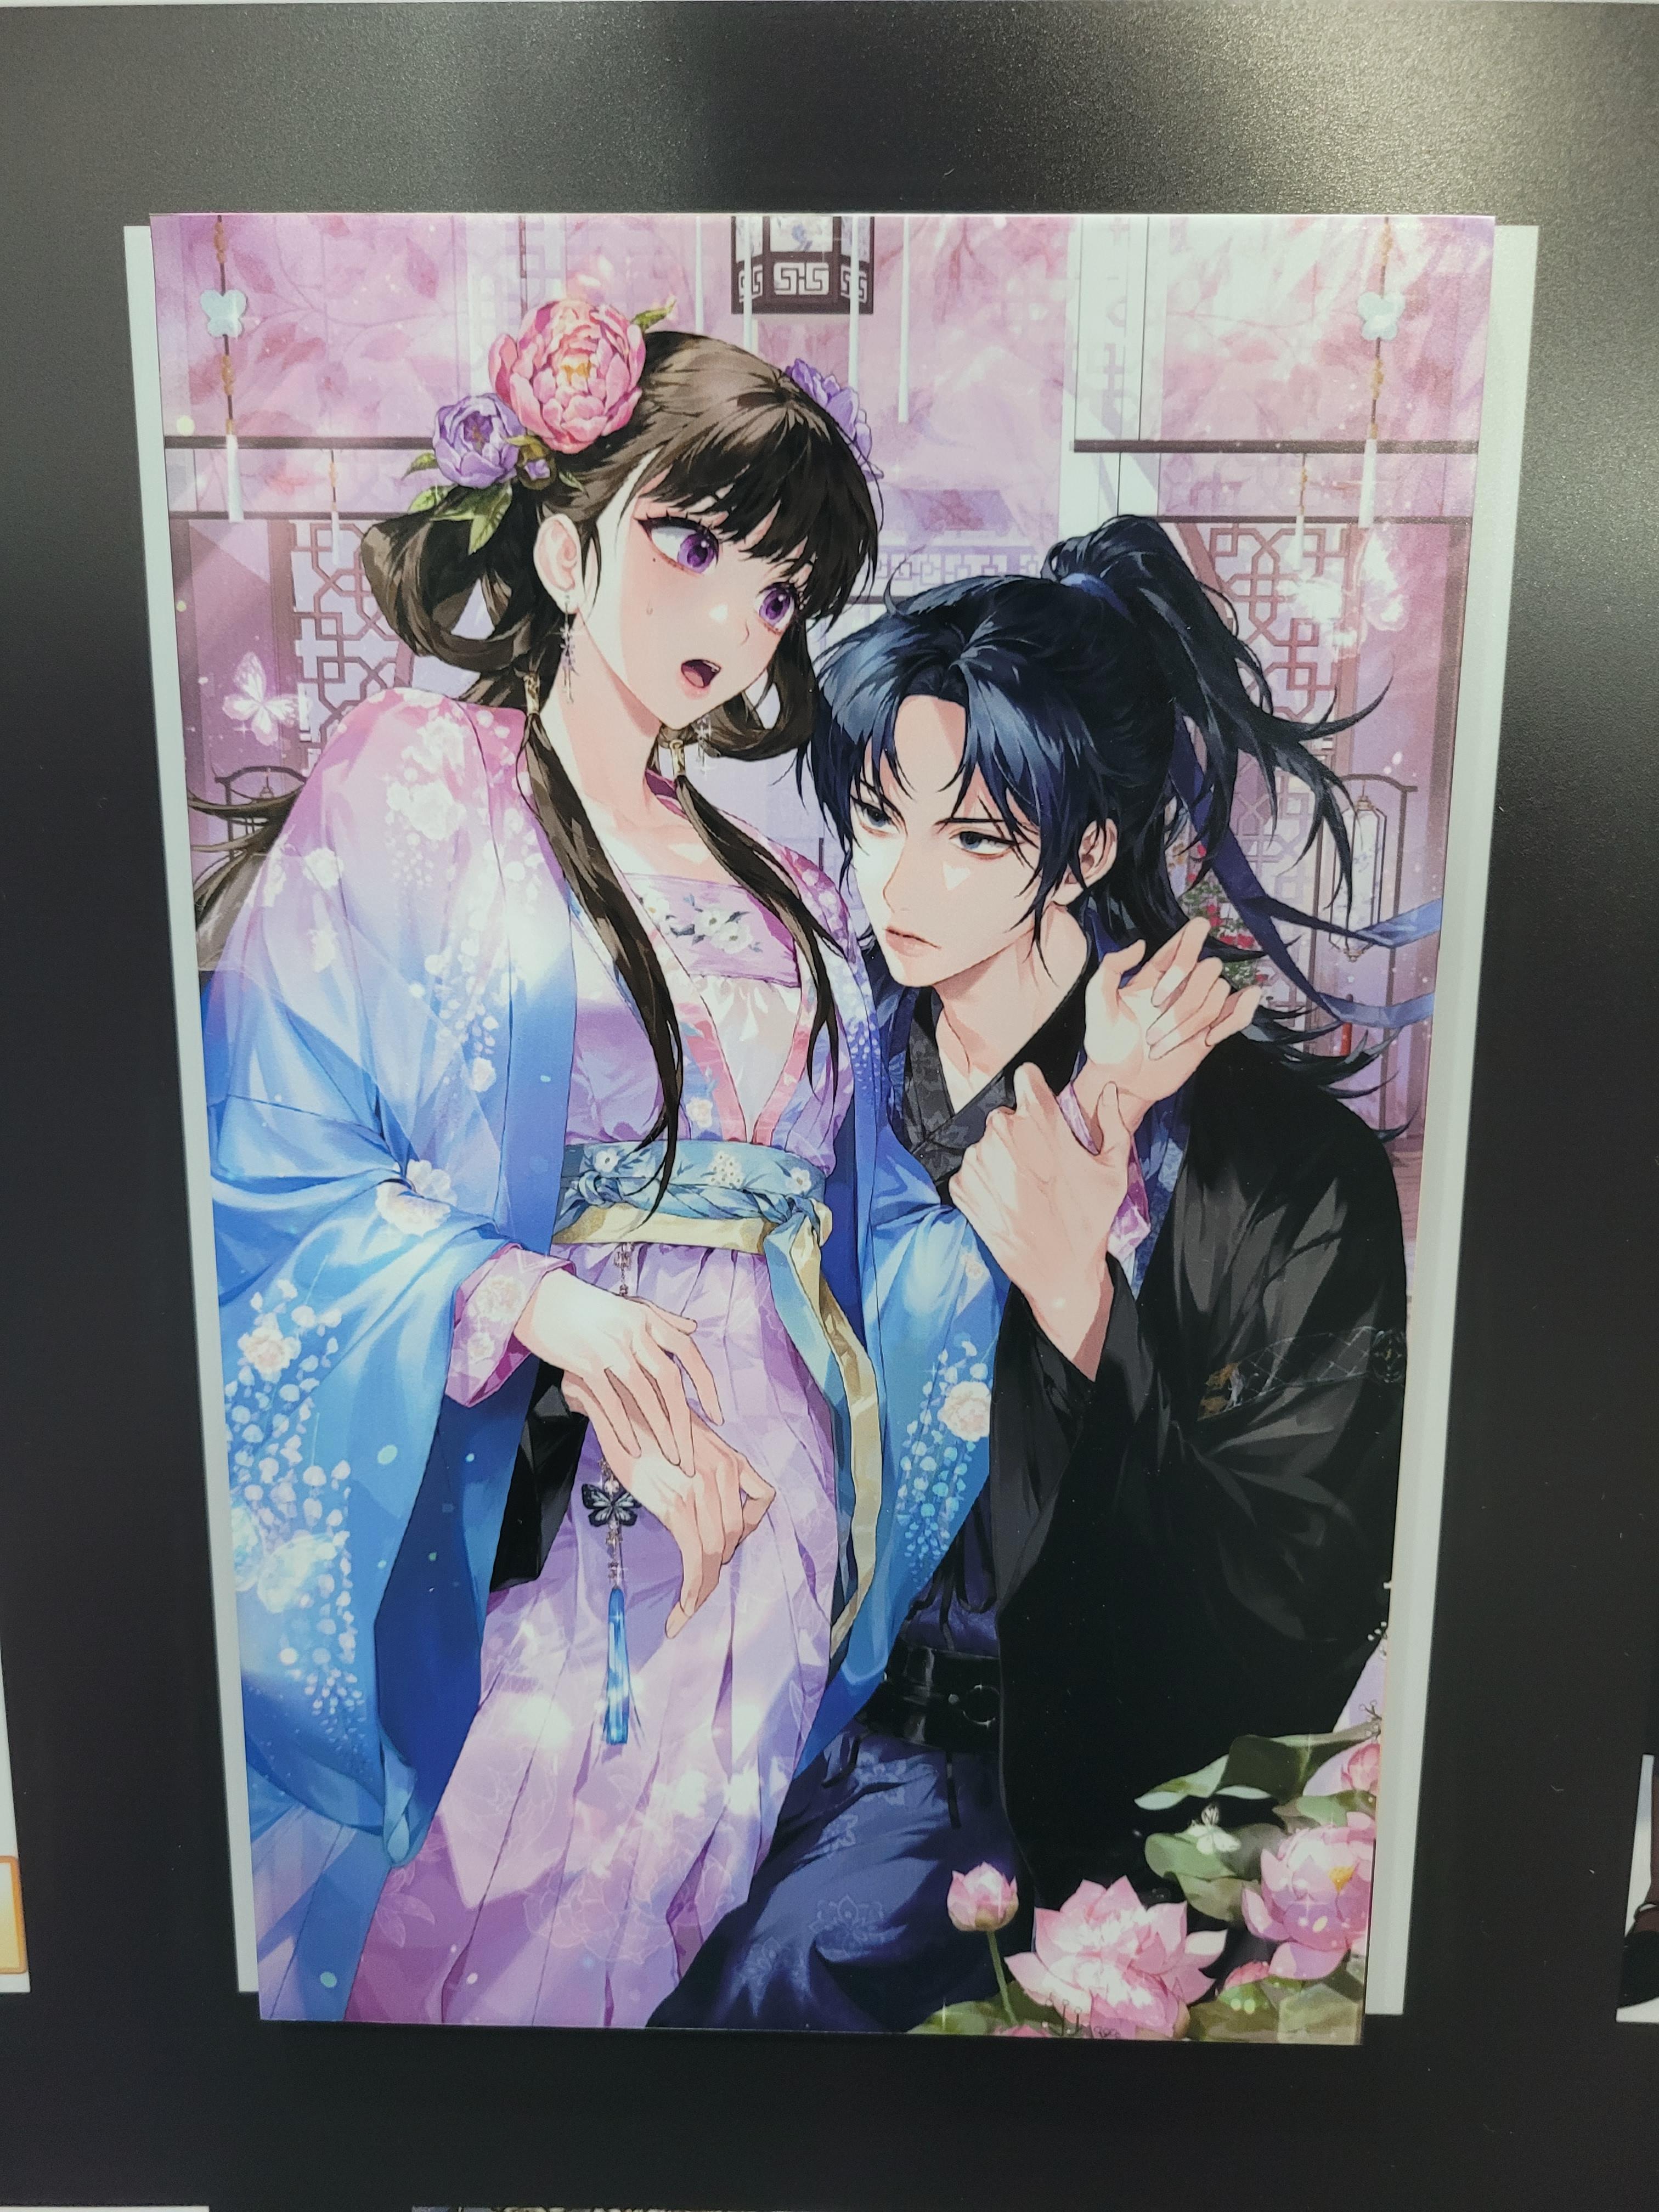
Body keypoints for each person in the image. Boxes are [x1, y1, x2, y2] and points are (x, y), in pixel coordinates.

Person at [204, 306, 1002, 2025]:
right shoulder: (418, 785)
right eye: (694, 545)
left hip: (768, 1464)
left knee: (668, 1887)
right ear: (566, 548)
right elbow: (276, 1147)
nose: (732, 619)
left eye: (777, 591)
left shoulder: (789, 884)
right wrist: (536, 1305)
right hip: (529, 1456)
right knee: (483, 1885)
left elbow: (853, 1198)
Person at [655, 517, 1412, 2032]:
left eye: (975, 839)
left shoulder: (1273, 1169)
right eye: (877, 820)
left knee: (773, 1989)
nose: (901, 882)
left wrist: (1082, 1307)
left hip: (1025, 1792)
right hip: (752, 1722)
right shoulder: (806, 1079)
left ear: (1089, 850)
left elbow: (1303, 1590)